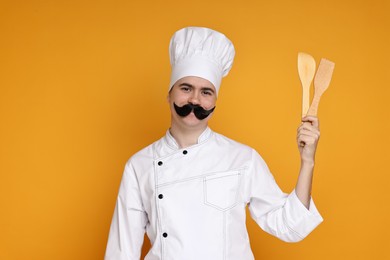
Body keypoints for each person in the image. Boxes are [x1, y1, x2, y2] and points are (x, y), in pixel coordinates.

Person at [104, 27, 323, 260]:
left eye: (206, 92)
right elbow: (121, 251)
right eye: (186, 88)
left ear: (215, 101)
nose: (194, 100)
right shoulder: (139, 165)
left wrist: (307, 162)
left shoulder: (242, 158)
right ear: (169, 95)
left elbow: (288, 225)